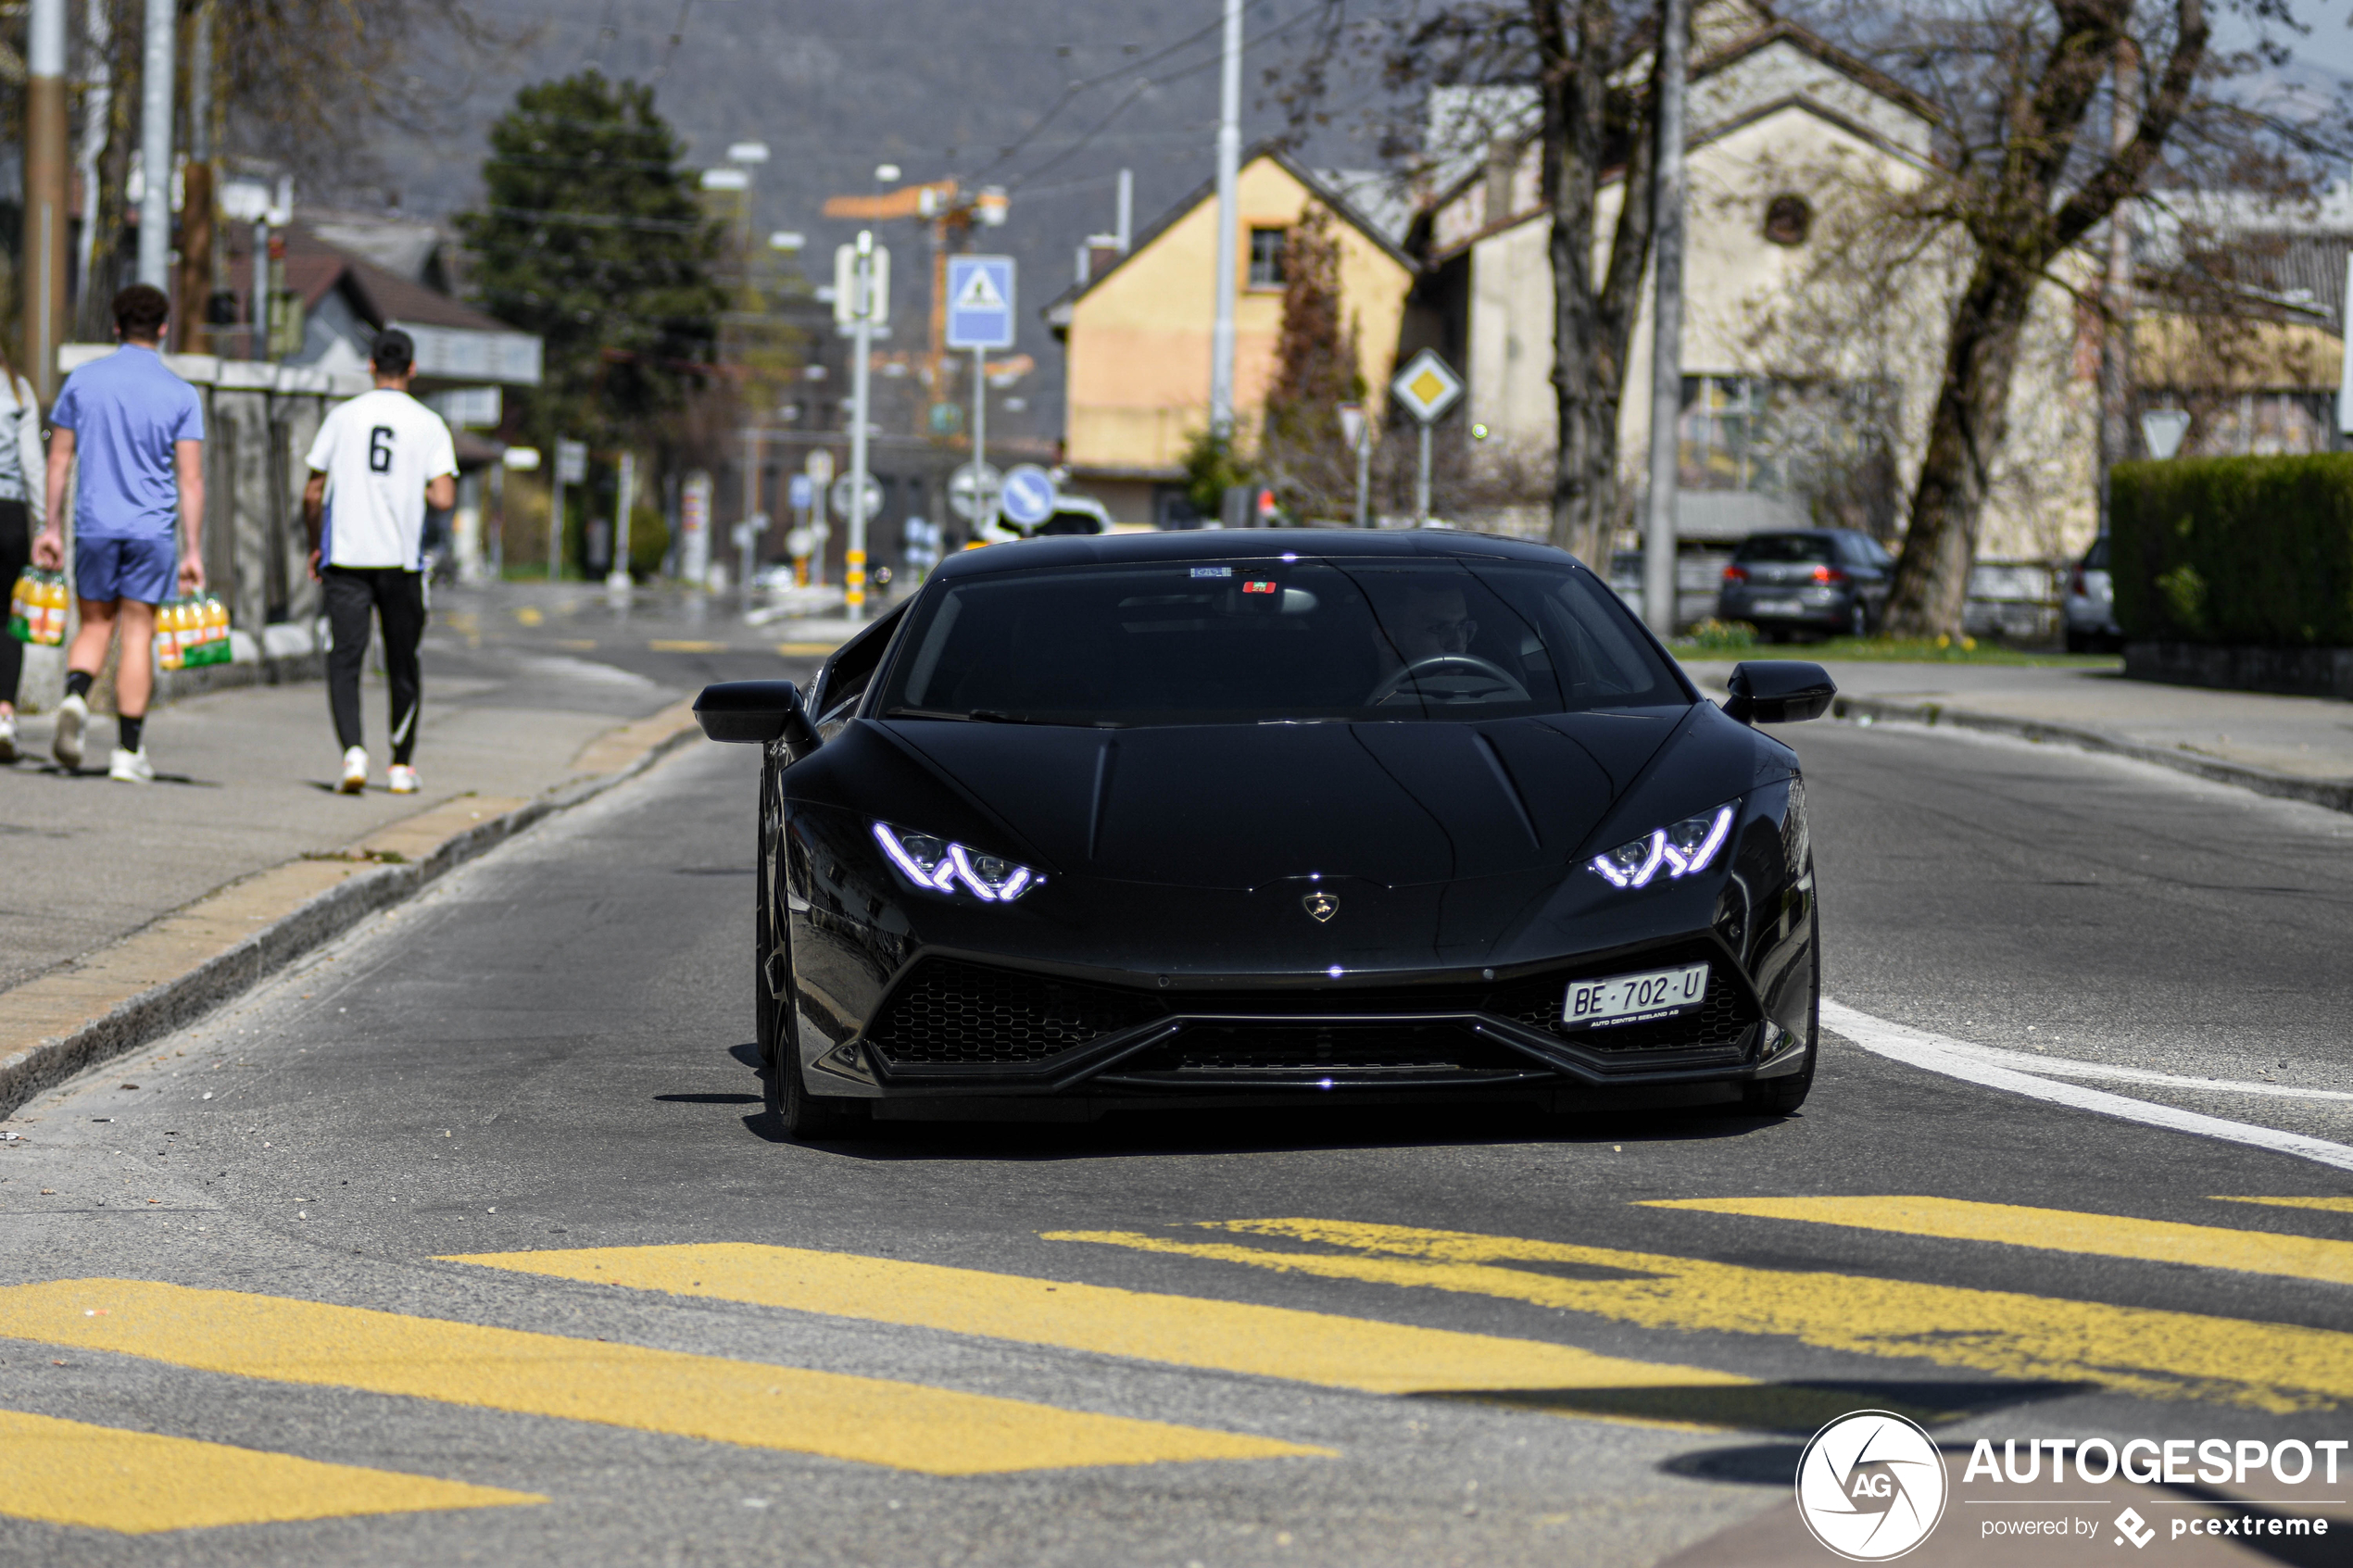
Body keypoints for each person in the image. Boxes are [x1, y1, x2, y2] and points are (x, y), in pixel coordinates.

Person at [31, 283, 206, 783]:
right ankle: (128, 754)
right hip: (152, 529)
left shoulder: (83, 382)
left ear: (116, 326)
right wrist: (192, 549)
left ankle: (74, 696)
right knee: (137, 633)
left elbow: (59, 459)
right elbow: (190, 480)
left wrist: (50, 527)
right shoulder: (180, 393)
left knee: (93, 625)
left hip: (94, 525)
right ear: (164, 329)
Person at [302, 329, 456, 795]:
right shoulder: (429, 423)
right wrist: (415, 488)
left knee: (345, 659)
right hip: (401, 561)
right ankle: (401, 766)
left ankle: (353, 753)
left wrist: (316, 541)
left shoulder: (343, 417)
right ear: (411, 369)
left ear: (370, 366)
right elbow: (445, 497)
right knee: (402, 661)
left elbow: (312, 491)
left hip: (346, 557)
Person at [0, 342, 46, 763]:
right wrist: (47, 525)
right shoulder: (17, 390)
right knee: (7, 618)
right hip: (9, 514)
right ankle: (4, 714)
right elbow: (33, 461)